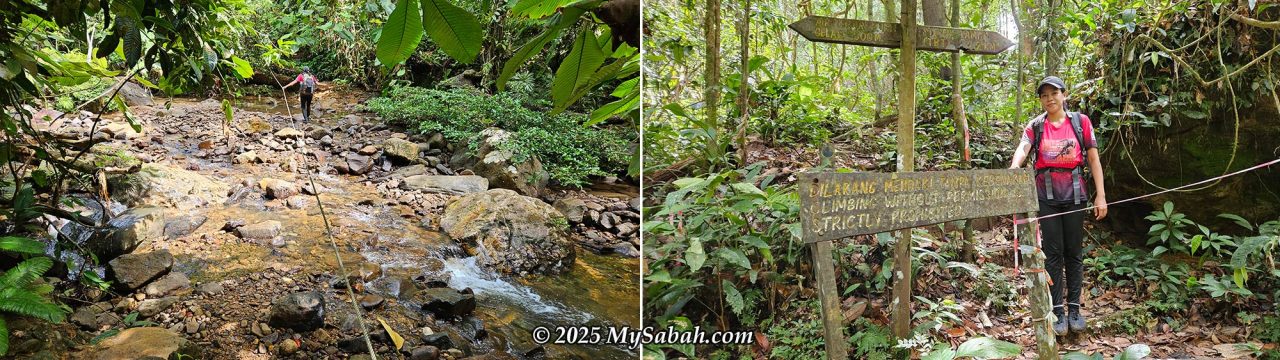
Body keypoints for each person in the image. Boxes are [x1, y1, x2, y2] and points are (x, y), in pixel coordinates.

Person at [1009, 76, 1108, 336]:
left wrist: (1101, 196)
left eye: (1054, 93)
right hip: (1047, 196)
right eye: (1044, 95)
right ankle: (1058, 312)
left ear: (1064, 95)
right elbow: (1023, 147)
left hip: (1075, 195)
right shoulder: (1036, 125)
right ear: (1041, 100)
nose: (1050, 98)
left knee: (1074, 252)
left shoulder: (1081, 122)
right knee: (1053, 253)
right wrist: (1013, 168)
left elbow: (1094, 161)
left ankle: (1075, 310)